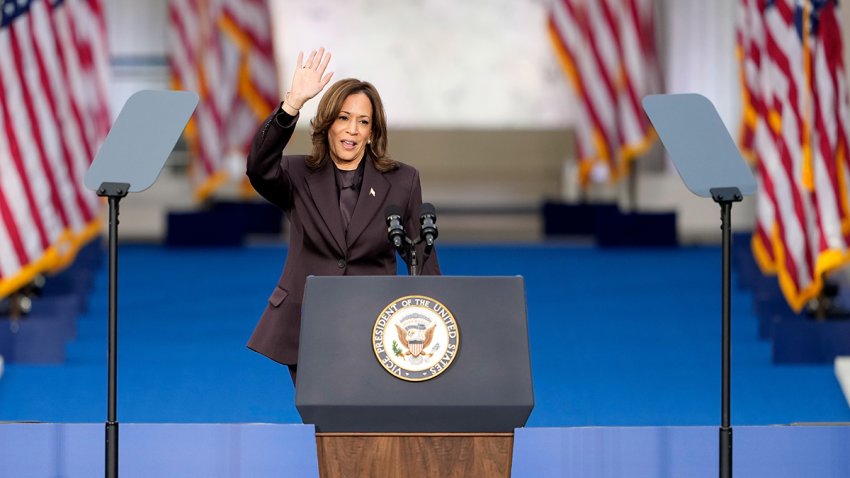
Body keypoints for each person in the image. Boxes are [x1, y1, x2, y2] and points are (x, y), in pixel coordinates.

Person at [245, 48, 441, 383]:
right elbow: (258, 167)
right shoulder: (297, 174)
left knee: (371, 425)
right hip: (309, 323)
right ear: (327, 124)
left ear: (372, 132)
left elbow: (420, 258)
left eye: (363, 122)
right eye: (343, 118)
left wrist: (436, 325)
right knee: (325, 424)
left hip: (376, 325)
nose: (352, 130)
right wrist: (292, 104)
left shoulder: (402, 180)